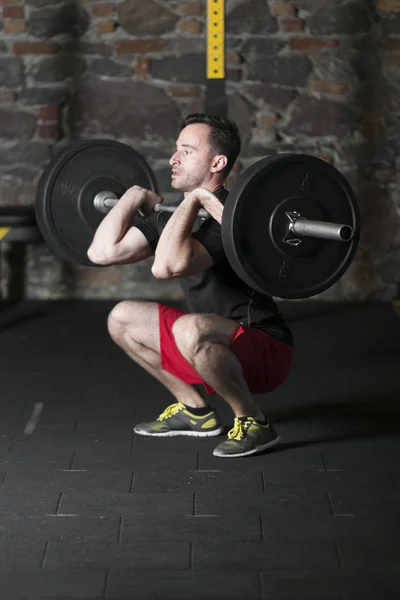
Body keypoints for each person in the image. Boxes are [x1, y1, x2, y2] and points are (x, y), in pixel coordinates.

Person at [87, 113, 293, 458]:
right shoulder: (173, 217)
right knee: (121, 317)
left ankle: (254, 422)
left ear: (217, 162)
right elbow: (102, 252)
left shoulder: (229, 218)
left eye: (186, 151)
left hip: (263, 349)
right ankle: (195, 411)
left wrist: (196, 199)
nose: (173, 159)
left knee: (188, 328)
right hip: (201, 342)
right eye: (175, 150)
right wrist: (133, 197)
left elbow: (167, 266)